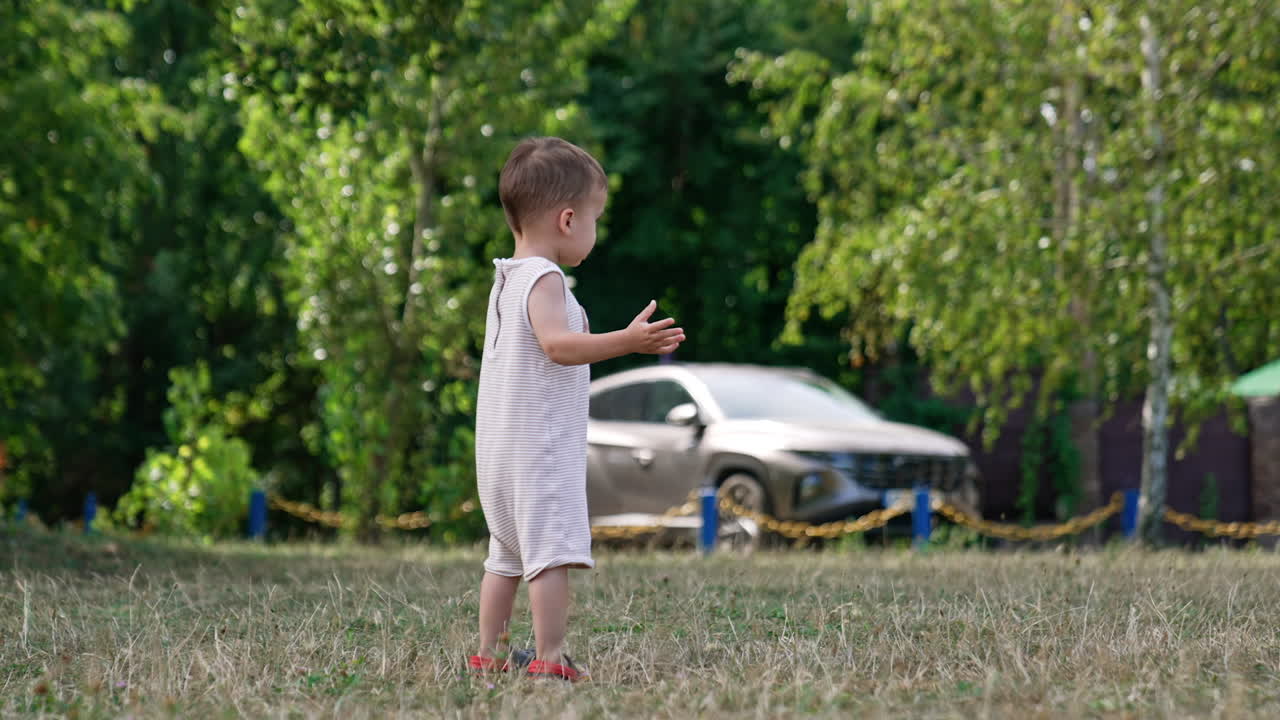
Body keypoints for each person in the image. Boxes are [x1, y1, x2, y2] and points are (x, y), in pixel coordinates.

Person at [468, 137, 685, 681]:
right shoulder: (545, 278)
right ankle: (550, 656)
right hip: (536, 452)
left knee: (506, 557)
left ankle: (489, 653)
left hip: (497, 455)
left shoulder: (505, 279)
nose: (595, 231)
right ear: (567, 219)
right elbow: (558, 346)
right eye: (594, 219)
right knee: (549, 555)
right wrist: (627, 341)